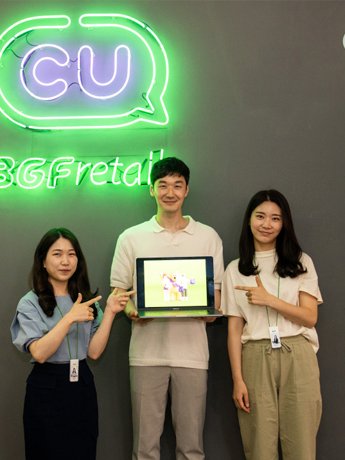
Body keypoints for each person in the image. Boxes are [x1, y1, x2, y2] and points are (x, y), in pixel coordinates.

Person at [110, 157, 224, 460]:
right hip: (146, 355)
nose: (170, 192)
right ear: (151, 189)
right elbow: (119, 291)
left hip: (193, 356)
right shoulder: (131, 237)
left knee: (191, 449)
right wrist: (131, 311)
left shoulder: (208, 237)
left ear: (186, 190)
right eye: (163, 185)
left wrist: (207, 310)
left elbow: (216, 301)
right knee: (144, 449)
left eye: (177, 185)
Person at [11, 228, 134, 460]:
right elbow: (39, 353)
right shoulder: (30, 302)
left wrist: (109, 312)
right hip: (46, 387)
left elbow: (94, 352)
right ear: (43, 261)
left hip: (82, 387)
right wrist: (69, 318)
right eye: (57, 254)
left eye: (71, 254)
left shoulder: (86, 300)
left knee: (83, 451)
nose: (65, 261)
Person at [222, 190, 323, 460]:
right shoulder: (234, 269)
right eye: (260, 216)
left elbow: (310, 317)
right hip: (255, 356)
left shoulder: (301, 262)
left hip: (298, 354)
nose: (267, 224)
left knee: (301, 445)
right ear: (249, 220)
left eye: (275, 218)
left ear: (284, 223)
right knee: (259, 446)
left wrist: (270, 300)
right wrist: (237, 380)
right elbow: (233, 330)